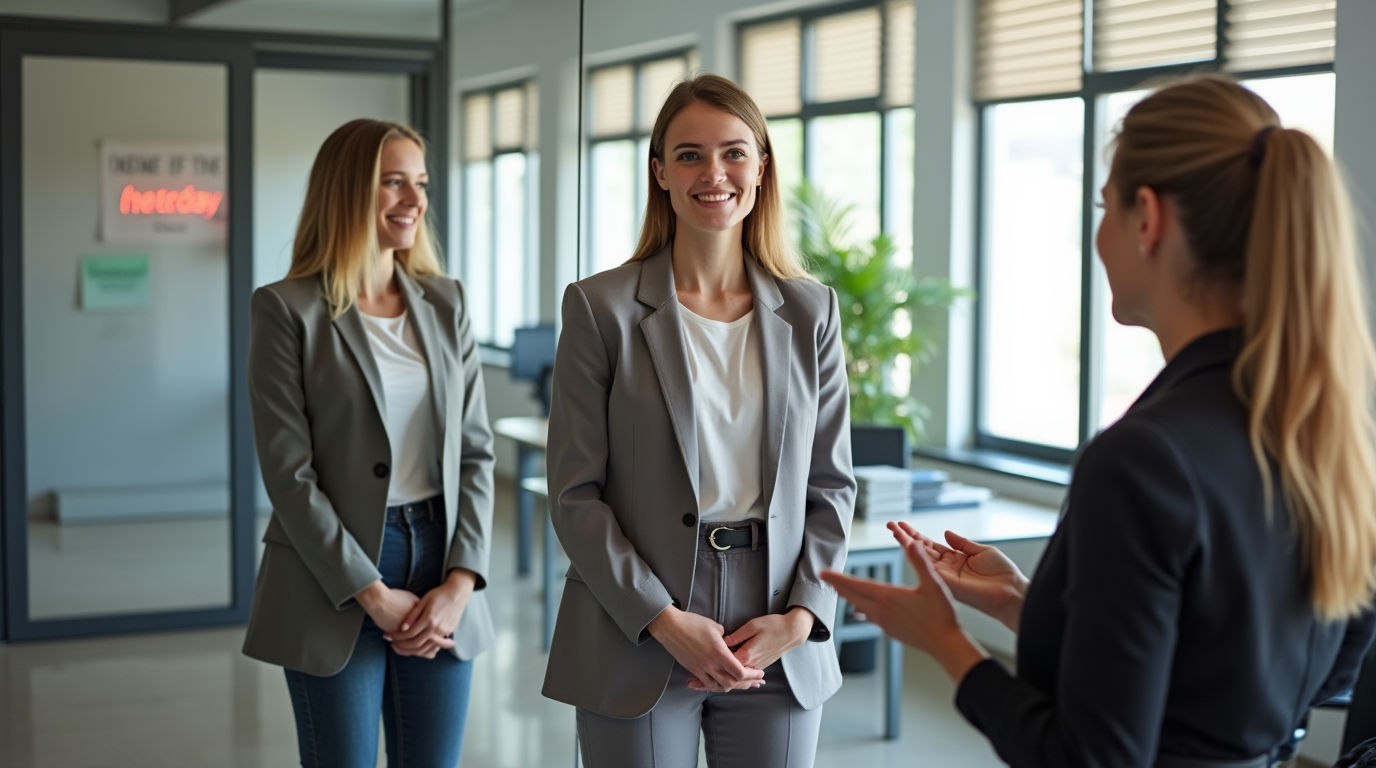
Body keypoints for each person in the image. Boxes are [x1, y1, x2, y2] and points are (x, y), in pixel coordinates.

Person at [824, 75, 1376, 768]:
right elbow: (1312, 676)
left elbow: (1092, 759)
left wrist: (947, 643)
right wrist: (1033, 606)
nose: (1099, 231)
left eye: (1103, 204)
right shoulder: (1327, 432)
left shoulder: (1144, 459)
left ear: (1148, 218)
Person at [541, 74, 856, 768]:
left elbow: (831, 484)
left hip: (775, 619)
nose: (714, 174)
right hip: (638, 617)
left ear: (762, 167)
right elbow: (573, 493)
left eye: (734, 153)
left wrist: (804, 615)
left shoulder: (811, 313)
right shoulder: (601, 308)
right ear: (659, 172)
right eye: (689, 155)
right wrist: (660, 618)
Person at [241, 119, 496, 768]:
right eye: (393, 183)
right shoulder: (285, 309)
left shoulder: (446, 303)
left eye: (422, 183)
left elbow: (474, 452)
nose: (415, 200)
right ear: (348, 192)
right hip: (336, 570)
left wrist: (461, 582)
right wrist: (372, 594)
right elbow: (287, 473)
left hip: (440, 557)